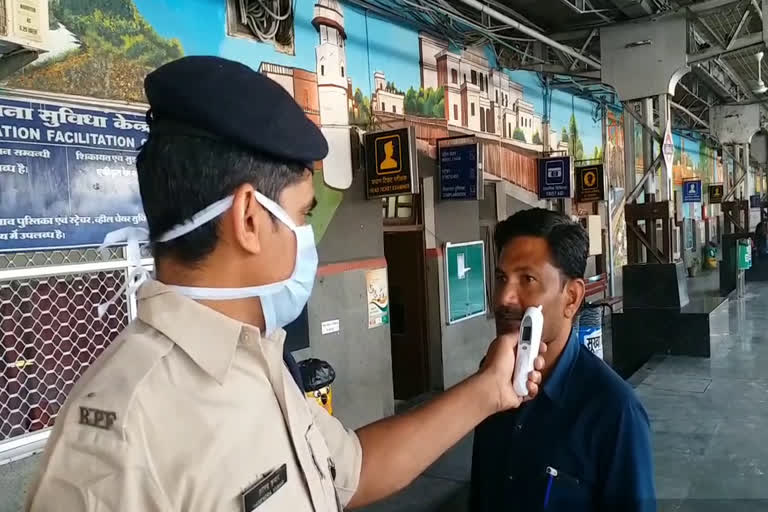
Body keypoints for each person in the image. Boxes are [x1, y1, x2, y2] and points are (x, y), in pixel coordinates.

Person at [25, 56, 546, 512]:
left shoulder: (259, 361)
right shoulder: (117, 441)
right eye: (302, 215)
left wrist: (489, 391)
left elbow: (351, 472)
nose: (307, 236)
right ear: (250, 219)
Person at [470, 208, 656, 512]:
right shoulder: (490, 378)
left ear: (571, 297)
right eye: (502, 278)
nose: (504, 297)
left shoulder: (615, 412)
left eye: (527, 279)